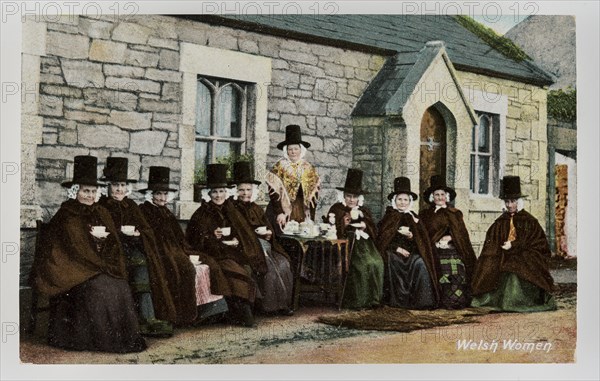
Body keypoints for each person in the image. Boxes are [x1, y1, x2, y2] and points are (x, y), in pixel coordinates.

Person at [32, 155, 146, 353]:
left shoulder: (100, 211)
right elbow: (74, 249)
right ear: (75, 191)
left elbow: (114, 243)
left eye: (93, 191)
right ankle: (98, 340)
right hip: (71, 268)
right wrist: (96, 252)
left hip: (94, 265)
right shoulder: (67, 214)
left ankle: (120, 340)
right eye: (85, 191)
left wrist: (103, 246)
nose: (90, 196)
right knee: (102, 288)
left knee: (119, 285)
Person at [138, 166, 225, 326]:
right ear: (151, 195)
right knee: (185, 268)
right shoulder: (144, 210)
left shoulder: (166, 211)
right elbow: (150, 237)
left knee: (207, 263)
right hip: (160, 251)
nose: (162, 197)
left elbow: (179, 236)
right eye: (158, 194)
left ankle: (206, 312)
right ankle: (183, 316)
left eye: (165, 194)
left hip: (176, 249)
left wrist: (184, 249)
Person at [98, 157, 174, 336]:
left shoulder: (131, 205)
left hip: (132, 247)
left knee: (146, 261)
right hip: (111, 251)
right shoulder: (102, 205)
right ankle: (142, 318)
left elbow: (146, 228)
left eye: (123, 185)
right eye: (115, 185)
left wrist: (139, 234)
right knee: (139, 262)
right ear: (108, 186)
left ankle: (148, 315)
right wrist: (119, 234)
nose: (119, 189)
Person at [186, 164, 263, 327]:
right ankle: (241, 315)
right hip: (213, 253)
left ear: (226, 192)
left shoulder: (230, 209)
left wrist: (237, 241)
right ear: (209, 194)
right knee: (235, 272)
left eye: (221, 191)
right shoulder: (202, 213)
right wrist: (211, 236)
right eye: (214, 192)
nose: (218, 195)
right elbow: (194, 239)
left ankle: (240, 312)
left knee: (244, 267)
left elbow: (242, 231)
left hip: (231, 251)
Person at [471, 176, 556, 312]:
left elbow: (540, 246)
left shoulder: (530, 221)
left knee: (513, 273)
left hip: (525, 259)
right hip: (503, 257)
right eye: (507, 201)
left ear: (519, 202)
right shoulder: (500, 222)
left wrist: (514, 246)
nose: (509, 205)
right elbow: (491, 245)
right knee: (492, 267)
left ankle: (516, 302)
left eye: (513, 201)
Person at [230, 161, 295, 315]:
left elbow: (267, 225)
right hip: (246, 247)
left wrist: (269, 234)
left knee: (284, 263)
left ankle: (283, 304)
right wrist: (257, 236)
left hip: (264, 244)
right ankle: (268, 307)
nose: (245, 193)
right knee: (269, 266)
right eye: (241, 190)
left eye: (248, 189)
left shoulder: (256, 207)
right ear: (235, 191)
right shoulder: (231, 207)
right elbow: (239, 231)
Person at [376, 177, 440, 309]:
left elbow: (423, 241)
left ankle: (421, 302)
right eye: (400, 199)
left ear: (409, 201)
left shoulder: (413, 216)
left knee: (421, 263)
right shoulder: (390, 216)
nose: (402, 202)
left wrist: (412, 236)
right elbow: (383, 239)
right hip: (394, 253)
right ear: (395, 200)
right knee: (392, 261)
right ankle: (397, 302)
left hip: (411, 253)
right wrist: (397, 249)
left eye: (405, 199)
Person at [325, 168, 384, 309]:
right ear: (343, 196)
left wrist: (364, 225)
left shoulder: (363, 210)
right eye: (349, 196)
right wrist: (344, 224)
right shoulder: (336, 208)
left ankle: (374, 300)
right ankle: (359, 301)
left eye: (354, 197)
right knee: (361, 266)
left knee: (377, 263)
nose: (352, 199)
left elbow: (372, 228)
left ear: (359, 198)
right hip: (347, 245)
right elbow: (330, 228)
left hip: (365, 244)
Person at [419, 175, 477, 309]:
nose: (440, 197)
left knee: (456, 265)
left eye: (442, 194)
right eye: (437, 194)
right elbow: (424, 235)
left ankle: (456, 300)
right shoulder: (425, 214)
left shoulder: (455, 213)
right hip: (433, 249)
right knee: (438, 266)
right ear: (432, 197)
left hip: (453, 248)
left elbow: (461, 235)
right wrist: (435, 241)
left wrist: (450, 238)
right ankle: (442, 299)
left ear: (447, 196)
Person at [265, 124, 321, 236]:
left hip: (301, 209)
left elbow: (314, 194)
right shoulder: (279, 167)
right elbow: (273, 191)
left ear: (301, 150)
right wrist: (279, 212)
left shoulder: (308, 168)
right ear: (286, 151)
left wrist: (311, 216)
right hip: (282, 208)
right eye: (290, 149)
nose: (293, 152)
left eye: (296, 149)